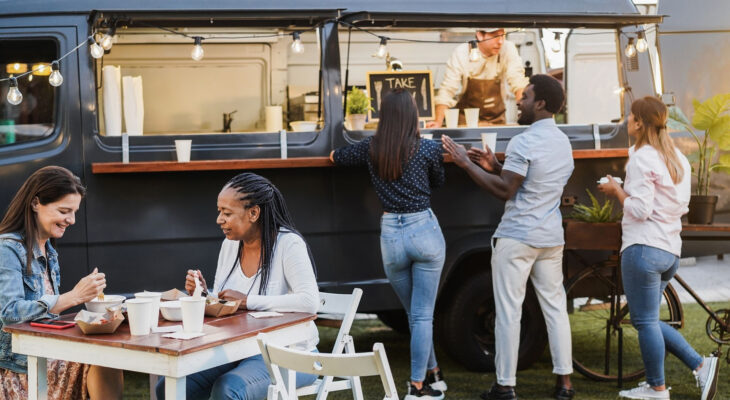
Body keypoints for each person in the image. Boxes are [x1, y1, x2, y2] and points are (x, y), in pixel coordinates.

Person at [442, 74, 575, 400]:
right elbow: (529, 183)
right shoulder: (563, 142)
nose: (520, 100)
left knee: (509, 312)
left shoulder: (524, 141)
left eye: (526, 96)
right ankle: (565, 385)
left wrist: (466, 164)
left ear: (540, 103)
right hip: (550, 238)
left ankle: (505, 385)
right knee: (555, 310)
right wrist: (494, 164)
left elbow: (506, 190)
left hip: (517, 238)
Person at [156, 172, 320, 400]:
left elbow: (310, 302)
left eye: (227, 213)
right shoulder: (230, 245)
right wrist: (204, 293)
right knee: (167, 387)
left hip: (291, 353)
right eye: (219, 211)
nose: (219, 219)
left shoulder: (288, 244)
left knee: (228, 388)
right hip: (238, 350)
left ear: (253, 213)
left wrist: (246, 300)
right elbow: (227, 302)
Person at [598, 97, 720, 400]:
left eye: (630, 116)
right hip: (669, 251)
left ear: (639, 122)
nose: (626, 121)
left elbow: (639, 210)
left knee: (644, 321)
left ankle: (657, 387)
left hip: (643, 248)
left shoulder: (642, 158)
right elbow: (681, 204)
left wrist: (616, 189)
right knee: (648, 320)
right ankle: (701, 366)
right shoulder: (676, 157)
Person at [331, 89, 446, 400]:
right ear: (412, 115)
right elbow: (439, 181)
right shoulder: (428, 149)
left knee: (415, 313)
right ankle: (417, 387)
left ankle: (434, 373)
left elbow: (336, 157)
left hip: (391, 235)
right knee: (421, 315)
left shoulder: (371, 148)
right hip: (424, 230)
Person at [0, 166, 123, 400]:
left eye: (74, 212)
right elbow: (9, 313)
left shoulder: (49, 250)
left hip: (50, 352)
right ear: (36, 203)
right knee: (101, 361)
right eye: (65, 210)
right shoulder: (7, 249)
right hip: (21, 367)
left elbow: (47, 319)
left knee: (108, 356)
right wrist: (73, 297)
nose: (72, 220)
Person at [427, 28, 528, 128]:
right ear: (480, 35)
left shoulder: (507, 48)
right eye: (495, 36)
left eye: (503, 35)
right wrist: (438, 122)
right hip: (466, 121)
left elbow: (518, 82)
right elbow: (447, 89)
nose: (500, 41)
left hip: (497, 120)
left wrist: (527, 116)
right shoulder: (462, 52)